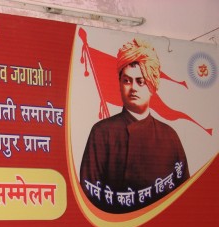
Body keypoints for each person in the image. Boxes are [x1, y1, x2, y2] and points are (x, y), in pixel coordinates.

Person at [79, 38, 190, 213]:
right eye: (127, 81)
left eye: (141, 81)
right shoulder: (101, 133)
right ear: (120, 84)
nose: (134, 88)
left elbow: (183, 196)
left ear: (152, 86)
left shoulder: (170, 137)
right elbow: (88, 195)